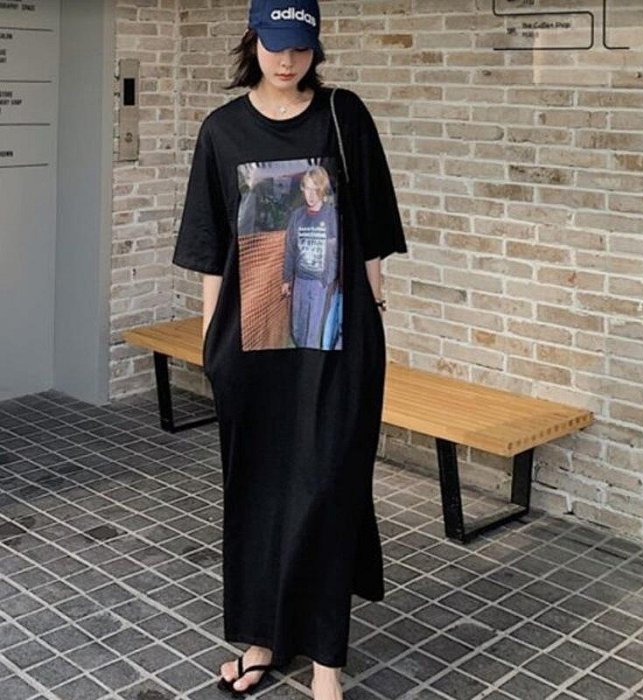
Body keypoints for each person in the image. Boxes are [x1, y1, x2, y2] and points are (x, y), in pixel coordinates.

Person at [172, 1, 406, 698]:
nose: (287, 60)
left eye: (300, 47)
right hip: (252, 344)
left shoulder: (343, 115)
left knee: (330, 489)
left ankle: (327, 662)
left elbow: (373, 227)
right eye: (276, 45)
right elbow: (211, 248)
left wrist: (376, 313)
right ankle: (262, 638)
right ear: (253, 41)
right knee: (258, 491)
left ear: (315, 47)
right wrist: (211, 345)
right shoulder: (222, 130)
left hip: (337, 341)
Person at [281, 166, 341, 350]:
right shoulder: (297, 216)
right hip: (300, 281)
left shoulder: (332, 216)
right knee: (298, 328)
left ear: (322, 190)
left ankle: (311, 362)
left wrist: (329, 280)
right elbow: (290, 249)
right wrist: (286, 279)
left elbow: (337, 251)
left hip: (319, 284)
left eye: (315, 189)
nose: (311, 195)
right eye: (307, 188)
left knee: (313, 332)